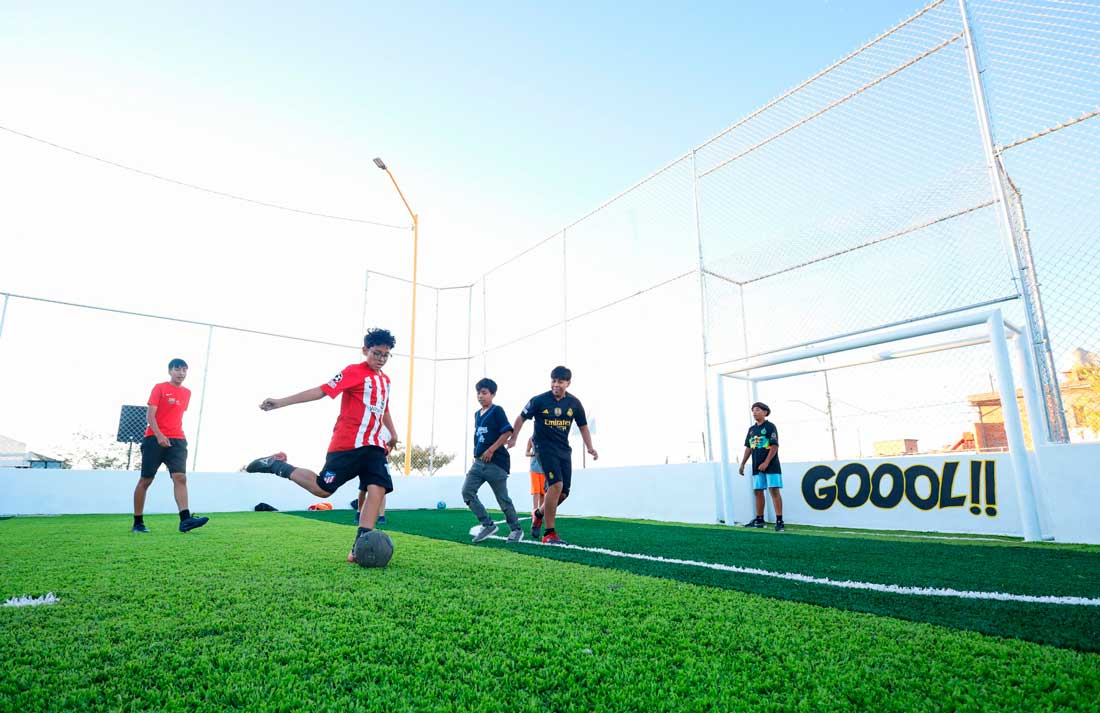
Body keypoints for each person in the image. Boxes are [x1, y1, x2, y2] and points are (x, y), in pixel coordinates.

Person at [245, 328, 399, 561]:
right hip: (348, 444)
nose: (380, 359)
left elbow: (383, 409)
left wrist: (393, 434)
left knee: (377, 489)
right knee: (322, 489)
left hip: (375, 446)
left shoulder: (385, 381)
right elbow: (321, 391)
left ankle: (359, 547)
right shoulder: (352, 372)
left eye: (385, 355)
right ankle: (276, 465)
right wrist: (280, 402)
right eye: (376, 353)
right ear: (365, 350)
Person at [505, 366, 597, 545]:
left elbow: (583, 426)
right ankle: (549, 533)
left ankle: (538, 514)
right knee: (556, 485)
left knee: (563, 493)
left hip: (563, 449)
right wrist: (514, 438)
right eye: (553, 381)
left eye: (560, 381)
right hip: (543, 447)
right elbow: (521, 418)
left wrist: (590, 447)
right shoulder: (539, 400)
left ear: (568, 383)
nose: (556, 384)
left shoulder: (574, 404)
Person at [131, 358, 209, 533]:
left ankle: (185, 520)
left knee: (180, 477)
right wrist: (159, 435)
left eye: (184, 370)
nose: (181, 373)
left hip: (178, 440)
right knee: (146, 480)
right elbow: (150, 416)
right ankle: (138, 522)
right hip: (154, 438)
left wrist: (171, 437)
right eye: (178, 369)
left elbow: (176, 416)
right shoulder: (159, 388)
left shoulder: (187, 393)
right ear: (170, 371)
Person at [465, 378, 523, 543]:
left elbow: (507, 432)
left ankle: (516, 529)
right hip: (478, 463)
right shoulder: (477, 414)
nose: (480, 396)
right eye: (478, 393)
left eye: (484, 393)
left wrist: (491, 449)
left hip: (496, 463)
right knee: (467, 491)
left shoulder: (497, 411)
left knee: (502, 498)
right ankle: (487, 524)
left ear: (493, 394)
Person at [739, 401, 784, 531]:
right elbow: (748, 447)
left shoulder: (770, 427)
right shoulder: (751, 430)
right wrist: (742, 463)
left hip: (771, 465)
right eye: (753, 410)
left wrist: (766, 462)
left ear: (765, 412)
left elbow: (774, 446)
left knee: (774, 490)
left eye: (757, 409)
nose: (754, 412)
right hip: (756, 466)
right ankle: (759, 519)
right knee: (758, 491)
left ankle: (779, 521)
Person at [526, 437, 546, 539]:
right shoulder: (531, 439)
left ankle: (540, 514)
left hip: (544, 469)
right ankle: (534, 512)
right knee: (536, 491)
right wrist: (534, 453)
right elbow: (526, 453)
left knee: (543, 493)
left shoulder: (545, 438)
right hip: (534, 468)